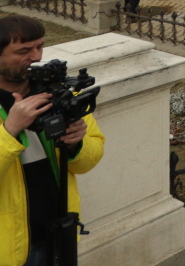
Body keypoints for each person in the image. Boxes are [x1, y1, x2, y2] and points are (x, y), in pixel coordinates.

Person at [0, 15, 106, 266]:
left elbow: (89, 159)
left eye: (40, 46)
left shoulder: (59, 94)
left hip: (58, 234)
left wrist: (75, 144)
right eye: (24, 51)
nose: (36, 57)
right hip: (8, 249)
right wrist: (10, 129)